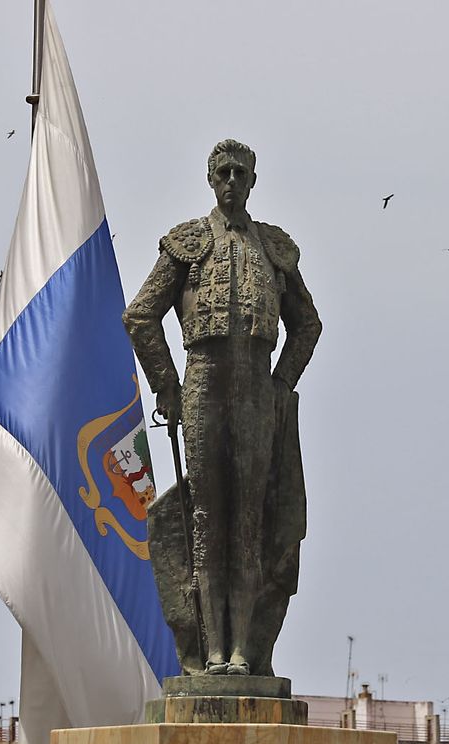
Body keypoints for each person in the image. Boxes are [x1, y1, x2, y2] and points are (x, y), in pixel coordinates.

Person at [123, 139, 321, 676]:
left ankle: (242, 654)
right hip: (203, 384)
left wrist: (282, 384)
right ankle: (210, 652)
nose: (231, 181)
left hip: (256, 388)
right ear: (211, 179)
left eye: (240, 172)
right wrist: (167, 386)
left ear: (253, 180)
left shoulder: (274, 249)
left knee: (250, 522)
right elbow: (140, 315)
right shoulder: (186, 243)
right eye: (223, 172)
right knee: (206, 520)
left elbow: (308, 324)